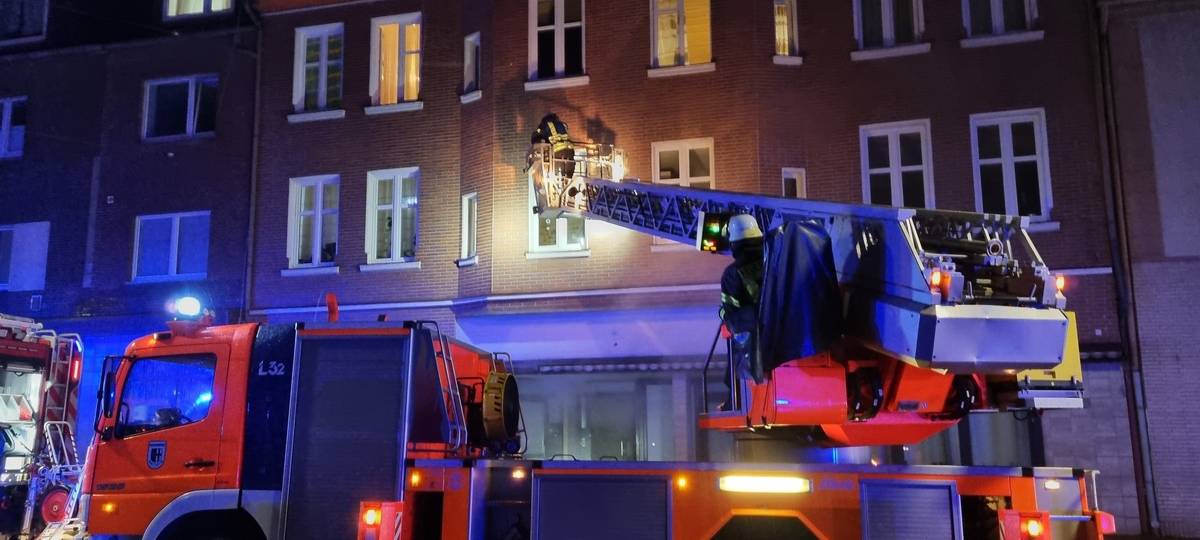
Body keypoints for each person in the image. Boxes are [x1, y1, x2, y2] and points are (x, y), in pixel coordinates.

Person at [719, 214, 765, 409]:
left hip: (755, 342)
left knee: (735, 359)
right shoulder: (773, 259)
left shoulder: (732, 273)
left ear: (734, 241)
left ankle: (735, 400)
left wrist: (724, 318)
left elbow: (732, 315)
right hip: (786, 334)